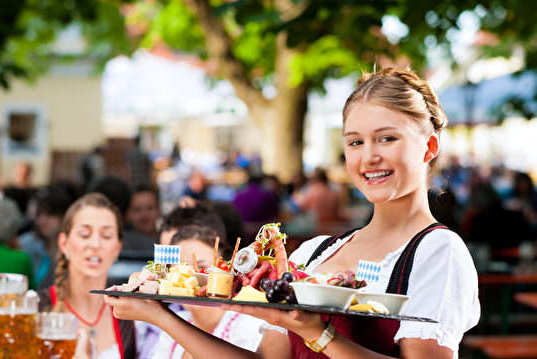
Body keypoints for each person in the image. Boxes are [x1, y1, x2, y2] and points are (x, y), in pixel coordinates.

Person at [105, 67, 480, 359]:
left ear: (429, 146)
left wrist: (317, 332)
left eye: (387, 137)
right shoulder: (314, 252)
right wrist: (157, 315)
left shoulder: (438, 253)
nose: (369, 156)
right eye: (355, 142)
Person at [38, 193, 136, 359]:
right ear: (64, 244)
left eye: (106, 236)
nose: (95, 245)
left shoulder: (130, 317)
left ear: (117, 248)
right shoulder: (36, 308)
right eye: (84, 234)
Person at [150, 225, 265, 358]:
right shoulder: (174, 326)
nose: (189, 275)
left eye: (202, 267)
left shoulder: (245, 325)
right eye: (181, 268)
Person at [19, 190, 74, 289]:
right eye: (39, 215)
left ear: (63, 217)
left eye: (50, 215)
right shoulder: (32, 245)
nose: (42, 220)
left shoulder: (71, 253)